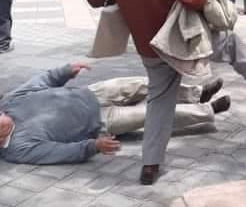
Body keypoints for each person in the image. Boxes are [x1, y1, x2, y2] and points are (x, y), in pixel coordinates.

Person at [86, 0, 208, 185]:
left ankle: (150, 165)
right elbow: (195, 0)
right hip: (177, 43)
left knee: (159, 101)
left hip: (146, 48)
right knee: (225, 41)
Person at [0, 63, 231, 165]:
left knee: (142, 84)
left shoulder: (9, 102)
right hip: (101, 123)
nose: (1, 115)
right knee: (151, 115)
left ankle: (197, 93)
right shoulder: (18, 148)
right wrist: (93, 146)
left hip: (92, 93)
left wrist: (65, 71)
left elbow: (40, 82)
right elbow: (58, 152)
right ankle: (207, 110)